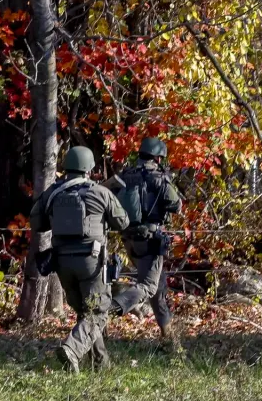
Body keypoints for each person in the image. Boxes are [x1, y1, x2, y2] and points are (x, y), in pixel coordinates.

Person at [32, 146, 128, 373]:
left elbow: (37, 223)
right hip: (91, 262)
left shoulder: (53, 192)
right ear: (88, 168)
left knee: (87, 314)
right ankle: (72, 349)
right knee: (98, 312)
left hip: (62, 264)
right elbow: (123, 222)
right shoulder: (99, 192)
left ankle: (101, 366)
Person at [107, 137, 182, 352]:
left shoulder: (125, 175)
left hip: (129, 240)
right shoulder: (158, 178)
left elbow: (106, 195)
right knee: (149, 287)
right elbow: (176, 205)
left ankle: (169, 341)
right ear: (158, 157)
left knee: (158, 289)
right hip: (150, 241)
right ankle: (112, 309)